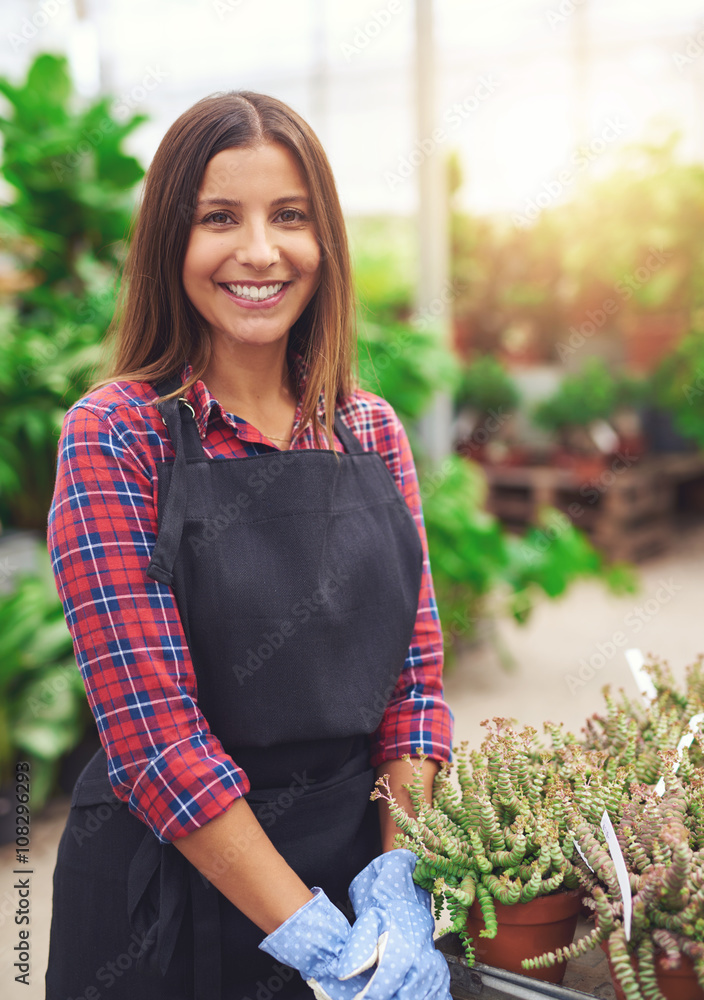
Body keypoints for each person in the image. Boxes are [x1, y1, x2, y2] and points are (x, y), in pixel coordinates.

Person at [45, 90, 454, 999]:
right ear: (168, 245)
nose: (261, 251)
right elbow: (156, 740)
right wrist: (323, 944)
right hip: (169, 900)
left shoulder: (371, 431)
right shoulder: (118, 435)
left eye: (291, 218)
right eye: (219, 218)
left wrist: (397, 894)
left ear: (326, 244)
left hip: (358, 868)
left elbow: (414, 692)